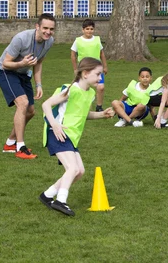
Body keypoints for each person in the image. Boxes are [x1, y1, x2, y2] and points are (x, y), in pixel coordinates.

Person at [39, 57, 115, 216]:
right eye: (98, 74)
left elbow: (84, 114)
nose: (100, 78)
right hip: (58, 133)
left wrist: (102, 114)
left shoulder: (90, 93)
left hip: (72, 137)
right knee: (72, 168)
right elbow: (46, 104)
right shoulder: (71, 89)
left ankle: (47, 195)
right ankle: (61, 201)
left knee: (79, 171)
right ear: (85, 73)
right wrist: (54, 124)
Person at [0, 13, 56, 159]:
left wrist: (39, 84)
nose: (48, 32)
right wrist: (22, 63)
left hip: (23, 74)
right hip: (5, 72)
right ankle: (20, 147)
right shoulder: (21, 38)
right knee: (22, 103)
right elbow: (6, 63)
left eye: (51, 29)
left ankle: (10, 143)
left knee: (30, 111)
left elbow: (39, 62)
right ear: (37, 27)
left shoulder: (49, 41)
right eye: (45, 28)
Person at [71, 19, 108, 112]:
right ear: (83, 30)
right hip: (84, 69)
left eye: (91, 29)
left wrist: (105, 66)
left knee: (101, 87)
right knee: (83, 88)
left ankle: (99, 106)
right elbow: (73, 55)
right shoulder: (78, 40)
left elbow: (102, 54)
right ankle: (81, 106)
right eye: (87, 29)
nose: (89, 31)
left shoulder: (97, 39)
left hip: (97, 68)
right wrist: (75, 69)